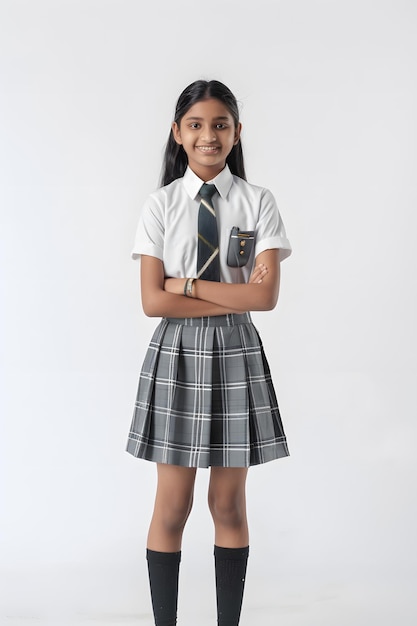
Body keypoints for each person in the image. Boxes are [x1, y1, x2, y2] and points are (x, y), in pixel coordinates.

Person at [126, 79, 292, 626]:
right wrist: (222, 292)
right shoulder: (162, 205)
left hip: (236, 353)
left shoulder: (257, 201)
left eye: (220, 124)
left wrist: (187, 286)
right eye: (195, 125)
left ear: (237, 132)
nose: (208, 136)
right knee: (173, 506)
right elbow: (153, 301)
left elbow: (263, 297)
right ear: (177, 133)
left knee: (228, 505)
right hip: (175, 358)